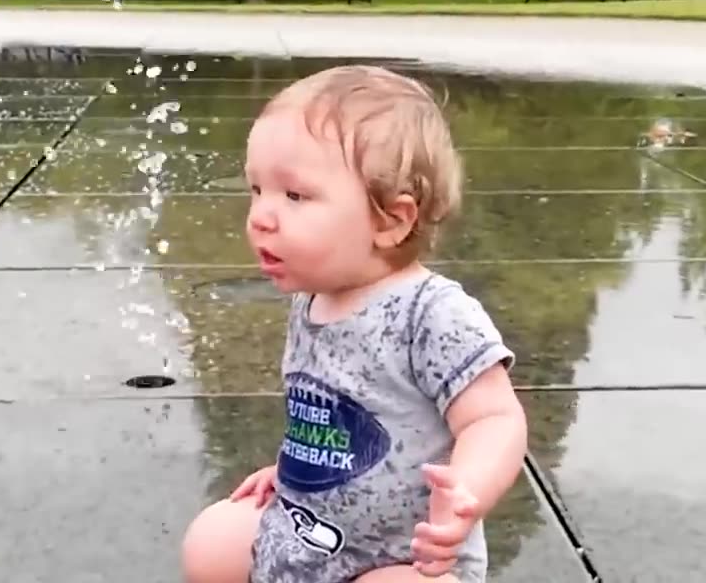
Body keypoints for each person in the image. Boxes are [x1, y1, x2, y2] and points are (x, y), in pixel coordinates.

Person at [181, 65, 528, 583]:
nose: (260, 216)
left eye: (294, 196)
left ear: (390, 220)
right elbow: (333, 421)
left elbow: (495, 419)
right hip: (307, 530)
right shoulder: (313, 298)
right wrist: (297, 471)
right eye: (257, 190)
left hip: (399, 557)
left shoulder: (430, 314)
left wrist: (465, 491)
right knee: (212, 540)